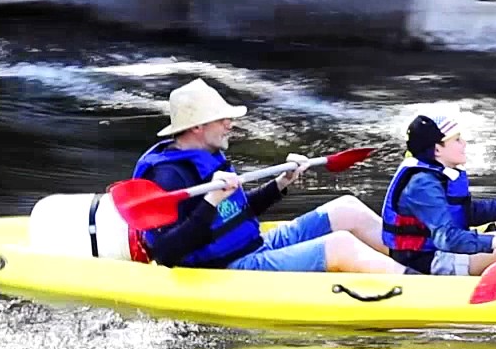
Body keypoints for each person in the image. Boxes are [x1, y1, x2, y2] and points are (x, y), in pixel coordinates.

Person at [133, 78, 414, 275]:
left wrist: (281, 183)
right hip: (230, 268)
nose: (230, 125)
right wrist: (211, 201)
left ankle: (432, 264)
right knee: (340, 245)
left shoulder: (208, 153)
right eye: (222, 119)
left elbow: (237, 215)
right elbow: (167, 254)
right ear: (197, 127)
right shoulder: (167, 176)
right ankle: (425, 288)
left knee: (347, 208)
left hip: (254, 245)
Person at [380, 114, 496, 276]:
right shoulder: (422, 185)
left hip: (439, 251)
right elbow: (447, 239)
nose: (464, 144)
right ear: (437, 150)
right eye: (457, 140)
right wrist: (495, 242)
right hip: (426, 261)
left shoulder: (441, 173)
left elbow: (467, 213)